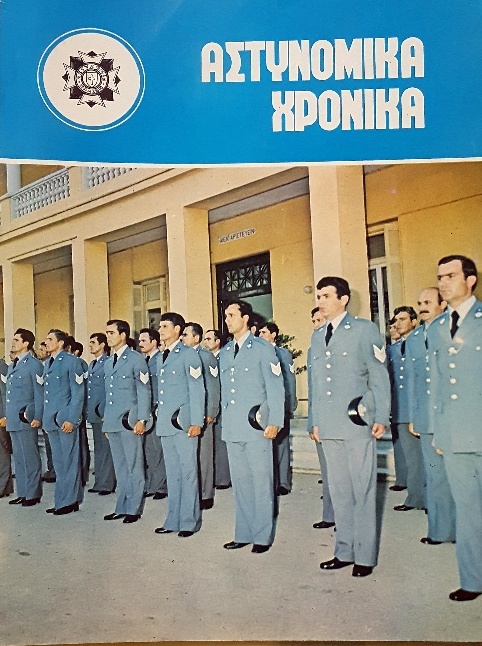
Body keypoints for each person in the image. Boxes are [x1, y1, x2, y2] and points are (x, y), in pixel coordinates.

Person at [312, 277, 390, 577]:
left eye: (326, 296)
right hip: (329, 425)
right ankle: (344, 551)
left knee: (363, 489)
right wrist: (315, 420)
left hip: (357, 421)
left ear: (343, 299)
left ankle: (365, 557)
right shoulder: (318, 336)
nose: (321, 301)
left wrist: (381, 416)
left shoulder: (364, 330)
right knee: (340, 491)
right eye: (319, 296)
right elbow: (317, 384)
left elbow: (378, 376)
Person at [428, 255, 482, 602]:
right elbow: (436, 382)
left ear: (470, 280)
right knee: (468, 510)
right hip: (454, 434)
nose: (443, 283)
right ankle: (473, 579)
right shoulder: (436, 328)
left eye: (450, 276)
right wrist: (438, 430)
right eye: (440, 277)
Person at [220, 300, 285, 553]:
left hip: (256, 425)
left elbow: (275, 387)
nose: (227, 320)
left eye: (232, 315)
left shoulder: (262, 348)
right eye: (226, 316)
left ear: (246, 318)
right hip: (233, 426)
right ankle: (243, 533)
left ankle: (262, 536)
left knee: (261, 481)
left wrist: (275, 421)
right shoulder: (226, 351)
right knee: (241, 483)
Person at [405, 288, 455, 545]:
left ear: (443, 304)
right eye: (419, 302)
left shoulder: (455, 328)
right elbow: (413, 380)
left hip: (453, 416)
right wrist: (413, 416)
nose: (422, 307)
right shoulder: (414, 338)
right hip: (426, 417)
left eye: (427, 302)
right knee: (435, 475)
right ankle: (440, 530)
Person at [154, 312, 205, 538]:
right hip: (166, 423)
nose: (160, 330)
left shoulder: (189, 354)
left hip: (184, 423)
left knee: (188, 472)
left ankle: (189, 521)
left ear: (177, 329)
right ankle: (173, 519)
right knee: (173, 473)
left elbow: (197, 389)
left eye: (165, 326)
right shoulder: (160, 357)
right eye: (160, 326)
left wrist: (196, 421)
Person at [102, 319, 151, 524]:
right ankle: (122, 506)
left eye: (111, 333)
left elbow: (144, 390)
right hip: (113, 422)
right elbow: (108, 395)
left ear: (123, 335)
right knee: (120, 467)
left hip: (129, 421)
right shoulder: (108, 362)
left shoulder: (135, 359)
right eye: (107, 333)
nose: (108, 336)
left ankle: (134, 508)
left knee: (134, 465)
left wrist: (142, 419)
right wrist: (107, 423)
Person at [42, 329, 85, 515]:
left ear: (60, 343)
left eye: (50, 339)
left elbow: (78, 392)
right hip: (51, 420)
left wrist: (72, 418)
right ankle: (61, 500)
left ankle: (70, 500)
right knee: (59, 463)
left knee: (69, 460)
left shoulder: (72, 362)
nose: (46, 342)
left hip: (65, 419)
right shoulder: (47, 363)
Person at [388, 306, 426, 511]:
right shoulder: (395, 348)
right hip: (401, 409)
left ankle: (420, 498)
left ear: (413, 321)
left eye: (402, 319)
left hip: (418, 408)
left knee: (421, 457)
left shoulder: (421, 341)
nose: (397, 323)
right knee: (412, 458)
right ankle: (417, 497)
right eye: (396, 320)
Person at [182, 322, 220, 510]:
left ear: (196, 338)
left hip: (203, 413)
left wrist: (211, 411)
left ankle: (206, 494)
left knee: (204, 456)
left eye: (186, 335)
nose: (182, 338)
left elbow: (213, 386)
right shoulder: (181, 355)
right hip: (187, 414)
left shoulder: (206, 356)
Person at [5, 329, 44, 506]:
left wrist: (37, 416)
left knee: (30, 456)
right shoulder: (13, 365)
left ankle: (33, 494)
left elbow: (39, 393)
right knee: (19, 458)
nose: (13, 343)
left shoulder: (34, 365)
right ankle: (23, 492)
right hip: (13, 418)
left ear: (26, 343)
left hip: (26, 417)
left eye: (16, 340)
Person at [259, 322, 297, 496]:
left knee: (281, 444)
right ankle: (270, 482)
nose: (260, 335)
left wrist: (288, 404)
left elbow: (289, 380)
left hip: (279, 405)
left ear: (273, 335)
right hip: (263, 406)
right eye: (260, 332)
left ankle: (283, 482)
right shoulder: (258, 353)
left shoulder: (282, 354)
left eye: (264, 332)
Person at [307, 307, 335, 529]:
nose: (317, 325)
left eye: (320, 320)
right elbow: (313, 389)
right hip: (321, 418)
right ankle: (330, 515)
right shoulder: (313, 347)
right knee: (327, 470)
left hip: (342, 418)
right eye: (314, 321)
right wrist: (312, 421)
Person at [138, 328, 167, 501]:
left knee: (158, 450)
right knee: (148, 449)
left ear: (154, 342)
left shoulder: (160, 359)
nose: (140, 343)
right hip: (145, 411)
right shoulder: (143, 361)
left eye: (144, 340)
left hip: (157, 409)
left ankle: (161, 486)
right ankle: (152, 484)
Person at [86, 333, 116, 496]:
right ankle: (100, 481)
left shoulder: (107, 362)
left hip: (103, 412)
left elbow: (109, 389)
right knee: (99, 448)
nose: (90, 345)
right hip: (94, 413)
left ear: (102, 345)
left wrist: (104, 411)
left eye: (93, 342)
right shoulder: (92, 364)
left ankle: (107, 484)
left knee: (106, 449)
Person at [204, 329, 231, 490]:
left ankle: (223, 478)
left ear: (217, 341)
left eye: (209, 339)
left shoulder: (224, 357)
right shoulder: (206, 358)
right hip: (211, 404)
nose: (206, 342)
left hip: (223, 405)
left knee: (221, 444)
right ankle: (215, 477)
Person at [0, 357, 14, 499]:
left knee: (2, 452)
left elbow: (5, 391)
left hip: (0, 417)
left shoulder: (2, 367)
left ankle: (3, 486)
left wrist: (5, 415)